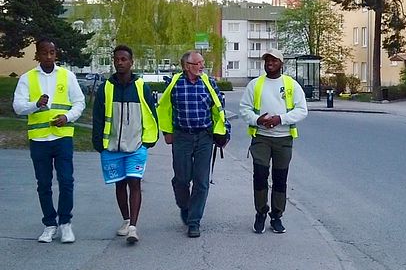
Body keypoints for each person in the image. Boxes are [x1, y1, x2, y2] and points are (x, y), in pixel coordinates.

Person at [12, 38, 86, 243]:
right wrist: (35, 104)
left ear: (56, 54)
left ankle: (65, 223)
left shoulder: (67, 75)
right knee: (43, 183)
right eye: (44, 53)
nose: (48, 56)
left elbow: (79, 102)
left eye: (52, 52)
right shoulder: (27, 78)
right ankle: (49, 224)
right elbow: (18, 107)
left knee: (66, 180)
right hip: (39, 139)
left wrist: (67, 117)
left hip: (62, 137)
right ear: (38, 55)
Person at [157, 51, 230, 238]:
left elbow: (219, 109)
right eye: (198, 63)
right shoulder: (175, 84)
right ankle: (184, 205)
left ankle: (194, 221)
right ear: (186, 66)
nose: (201, 66)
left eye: (202, 62)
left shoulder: (209, 82)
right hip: (182, 136)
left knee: (201, 181)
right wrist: (167, 132)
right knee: (182, 179)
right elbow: (163, 109)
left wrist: (224, 132)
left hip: (204, 137)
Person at [92, 45, 158, 244]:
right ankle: (126, 219)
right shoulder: (106, 87)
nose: (119, 62)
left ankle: (133, 227)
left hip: (136, 146)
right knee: (119, 184)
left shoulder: (141, 87)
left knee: (134, 182)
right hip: (112, 147)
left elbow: (150, 115)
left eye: (123, 59)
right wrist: (99, 143)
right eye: (117, 59)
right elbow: (98, 117)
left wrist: (148, 141)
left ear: (131, 62)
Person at [239, 48, 308, 234]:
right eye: (267, 60)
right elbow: (244, 109)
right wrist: (258, 120)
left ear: (281, 63)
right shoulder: (255, 85)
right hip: (261, 138)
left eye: (274, 60)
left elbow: (302, 110)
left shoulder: (291, 85)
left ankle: (277, 216)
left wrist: (280, 119)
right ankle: (260, 213)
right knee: (260, 176)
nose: (270, 63)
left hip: (283, 139)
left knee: (280, 178)